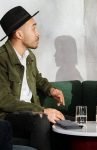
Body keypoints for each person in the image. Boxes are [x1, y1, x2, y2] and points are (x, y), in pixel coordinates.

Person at [0, 6, 65, 150]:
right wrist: (41, 110)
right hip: (8, 116)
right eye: (33, 28)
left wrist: (51, 90)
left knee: (65, 121)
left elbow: (37, 79)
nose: (38, 33)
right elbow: (4, 101)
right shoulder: (1, 59)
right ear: (19, 34)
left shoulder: (30, 57)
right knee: (41, 121)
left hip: (30, 113)